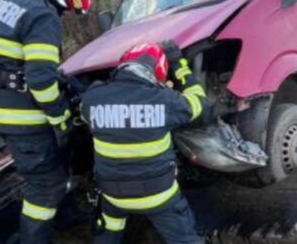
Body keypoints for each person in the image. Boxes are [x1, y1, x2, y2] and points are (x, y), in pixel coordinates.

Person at [0, 0, 92, 243]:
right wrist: (61, 117)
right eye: (72, 2)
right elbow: (40, 80)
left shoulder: (5, 1)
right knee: (45, 186)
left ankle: (65, 216)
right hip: (23, 116)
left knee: (55, 165)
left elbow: (13, 60)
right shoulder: (42, 15)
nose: (67, 11)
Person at [80, 41, 210, 244]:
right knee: (185, 240)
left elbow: (85, 116)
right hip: (158, 196)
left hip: (113, 196)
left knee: (108, 234)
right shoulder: (166, 100)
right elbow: (200, 102)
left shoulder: (92, 98)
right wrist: (179, 65)